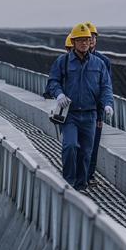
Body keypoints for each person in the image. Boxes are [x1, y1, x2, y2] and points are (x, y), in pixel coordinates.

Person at [46, 23, 114, 192]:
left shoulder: (99, 64)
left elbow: (106, 87)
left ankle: (81, 185)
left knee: (85, 153)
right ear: (74, 42)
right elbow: (53, 81)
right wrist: (59, 94)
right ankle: (69, 183)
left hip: (90, 115)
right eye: (81, 40)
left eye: (87, 39)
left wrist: (107, 104)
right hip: (71, 115)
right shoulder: (63, 62)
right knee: (70, 146)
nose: (85, 43)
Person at [84, 22, 112, 188]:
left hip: (95, 111)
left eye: (93, 37)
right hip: (78, 110)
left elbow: (106, 86)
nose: (91, 40)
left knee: (93, 144)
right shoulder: (70, 60)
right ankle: (80, 174)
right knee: (78, 144)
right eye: (88, 37)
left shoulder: (103, 61)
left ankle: (89, 175)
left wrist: (103, 110)